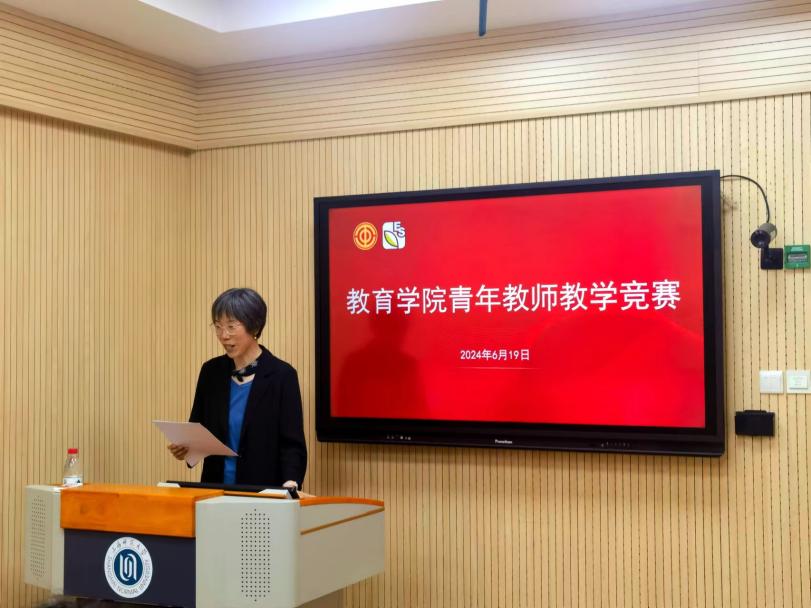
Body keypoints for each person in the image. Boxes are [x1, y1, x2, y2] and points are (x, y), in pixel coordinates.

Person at [168, 288, 307, 490]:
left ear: (255, 326)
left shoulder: (282, 375)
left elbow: (292, 443)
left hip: (262, 491)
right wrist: (185, 448)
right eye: (218, 327)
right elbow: (197, 428)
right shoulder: (211, 372)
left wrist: (291, 481)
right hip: (214, 489)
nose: (224, 336)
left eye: (231, 327)